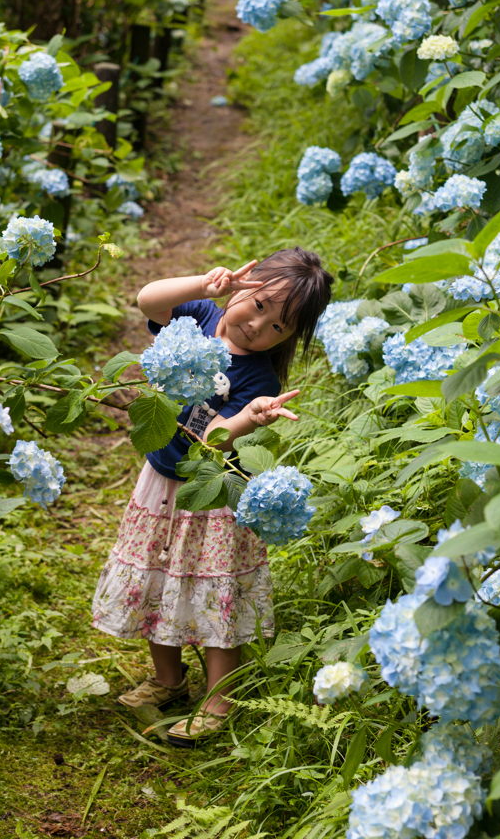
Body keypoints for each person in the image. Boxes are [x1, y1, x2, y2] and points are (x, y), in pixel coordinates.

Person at [92, 246, 332, 747]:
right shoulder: (200, 315)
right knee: (158, 579)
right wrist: (204, 285)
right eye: (260, 305)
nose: (258, 327)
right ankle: (168, 680)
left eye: (278, 328)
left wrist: (253, 416)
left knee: (213, 592)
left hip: (212, 498)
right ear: (245, 285)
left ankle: (219, 698)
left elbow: (217, 438)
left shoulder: (259, 379)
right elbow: (146, 299)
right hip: (161, 480)